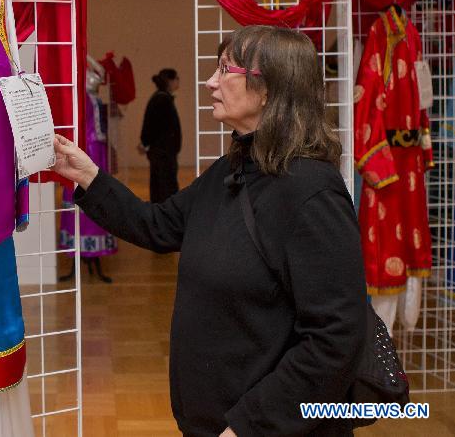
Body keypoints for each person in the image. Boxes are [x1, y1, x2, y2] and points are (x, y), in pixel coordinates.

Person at [52, 26, 367, 436]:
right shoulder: (232, 170)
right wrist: (89, 176)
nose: (210, 81)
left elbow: (335, 340)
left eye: (225, 69)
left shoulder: (311, 192)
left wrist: (247, 426)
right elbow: (159, 226)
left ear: (269, 88)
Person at [140, 68, 182, 203]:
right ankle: (165, 217)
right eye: (176, 79)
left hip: (163, 152)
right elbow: (152, 126)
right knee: (165, 187)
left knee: (161, 185)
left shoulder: (162, 98)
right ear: (169, 81)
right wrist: (145, 142)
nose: (178, 82)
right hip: (162, 153)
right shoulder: (162, 100)